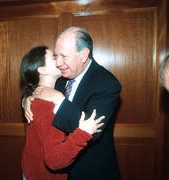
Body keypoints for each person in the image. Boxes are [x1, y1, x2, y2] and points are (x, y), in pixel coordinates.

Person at [25, 26, 122, 179]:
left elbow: (91, 130)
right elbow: (35, 86)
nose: (58, 63)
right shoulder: (60, 75)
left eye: (64, 56)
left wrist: (59, 99)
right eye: (56, 56)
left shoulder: (107, 84)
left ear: (84, 55)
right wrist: (27, 100)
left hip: (90, 171)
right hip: (59, 171)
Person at [20, 46, 105, 180]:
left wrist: (26, 99)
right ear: (42, 69)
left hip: (31, 171)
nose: (59, 60)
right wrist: (83, 133)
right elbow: (54, 161)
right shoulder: (49, 106)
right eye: (54, 57)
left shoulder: (36, 95)